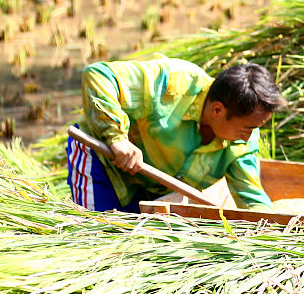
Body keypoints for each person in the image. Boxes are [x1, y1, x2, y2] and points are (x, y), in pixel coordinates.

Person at [67, 55, 286, 212]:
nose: (249, 137)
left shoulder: (243, 142)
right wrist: (116, 138)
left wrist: (274, 233)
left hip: (151, 188)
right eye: (248, 128)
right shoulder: (172, 84)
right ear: (217, 110)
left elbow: (251, 198)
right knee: (100, 239)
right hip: (103, 160)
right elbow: (98, 74)